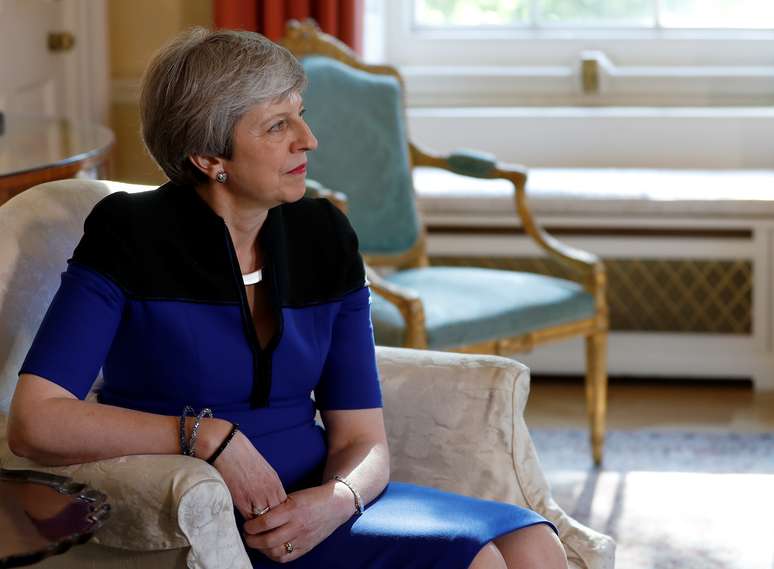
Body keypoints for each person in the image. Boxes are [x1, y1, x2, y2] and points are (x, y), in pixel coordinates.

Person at [7, 28, 567, 569]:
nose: (308, 139)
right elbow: (36, 422)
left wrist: (339, 499)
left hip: (324, 503)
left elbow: (362, 437)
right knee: (482, 560)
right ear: (208, 157)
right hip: (217, 515)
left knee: (536, 547)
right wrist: (204, 435)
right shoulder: (129, 234)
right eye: (277, 126)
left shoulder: (322, 235)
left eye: (300, 114)